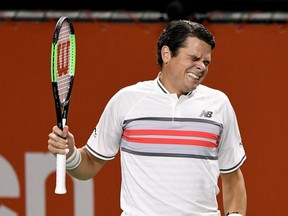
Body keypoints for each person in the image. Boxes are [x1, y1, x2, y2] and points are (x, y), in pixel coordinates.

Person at [48, 20, 247, 216]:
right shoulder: (126, 100)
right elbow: (89, 164)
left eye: (206, 62)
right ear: (166, 54)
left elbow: (232, 176)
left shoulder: (219, 104)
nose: (201, 67)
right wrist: (70, 155)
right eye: (194, 58)